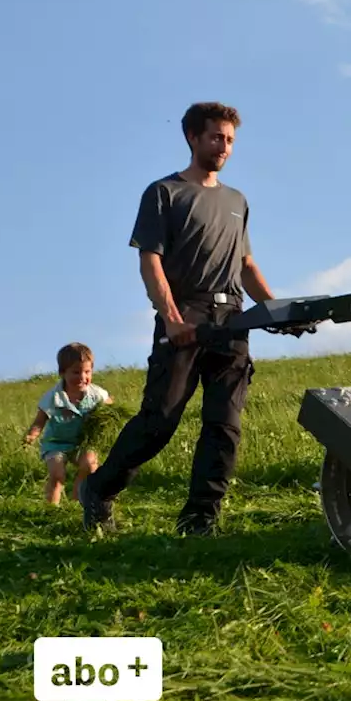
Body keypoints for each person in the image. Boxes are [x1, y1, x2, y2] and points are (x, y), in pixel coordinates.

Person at [79, 101, 276, 536]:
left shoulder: (237, 200)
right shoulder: (163, 193)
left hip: (232, 318)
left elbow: (246, 264)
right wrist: (170, 318)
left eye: (230, 140)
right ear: (192, 137)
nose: (224, 147)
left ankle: (199, 518)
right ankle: (99, 489)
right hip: (185, 313)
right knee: (160, 421)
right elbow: (150, 261)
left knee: (225, 424)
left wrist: (275, 309)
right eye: (216, 137)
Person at [24, 342, 113, 505]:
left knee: (89, 465)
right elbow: (40, 420)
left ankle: (76, 503)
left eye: (87, 372)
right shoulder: (53, 397)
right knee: (57, 475)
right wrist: (32, 435)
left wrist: (111, 411)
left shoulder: (96, 394)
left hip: (84, 442)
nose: (82, 377)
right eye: (76, 372)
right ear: (62, 373)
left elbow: (110, 405)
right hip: (56, 444)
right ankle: (51, 509)